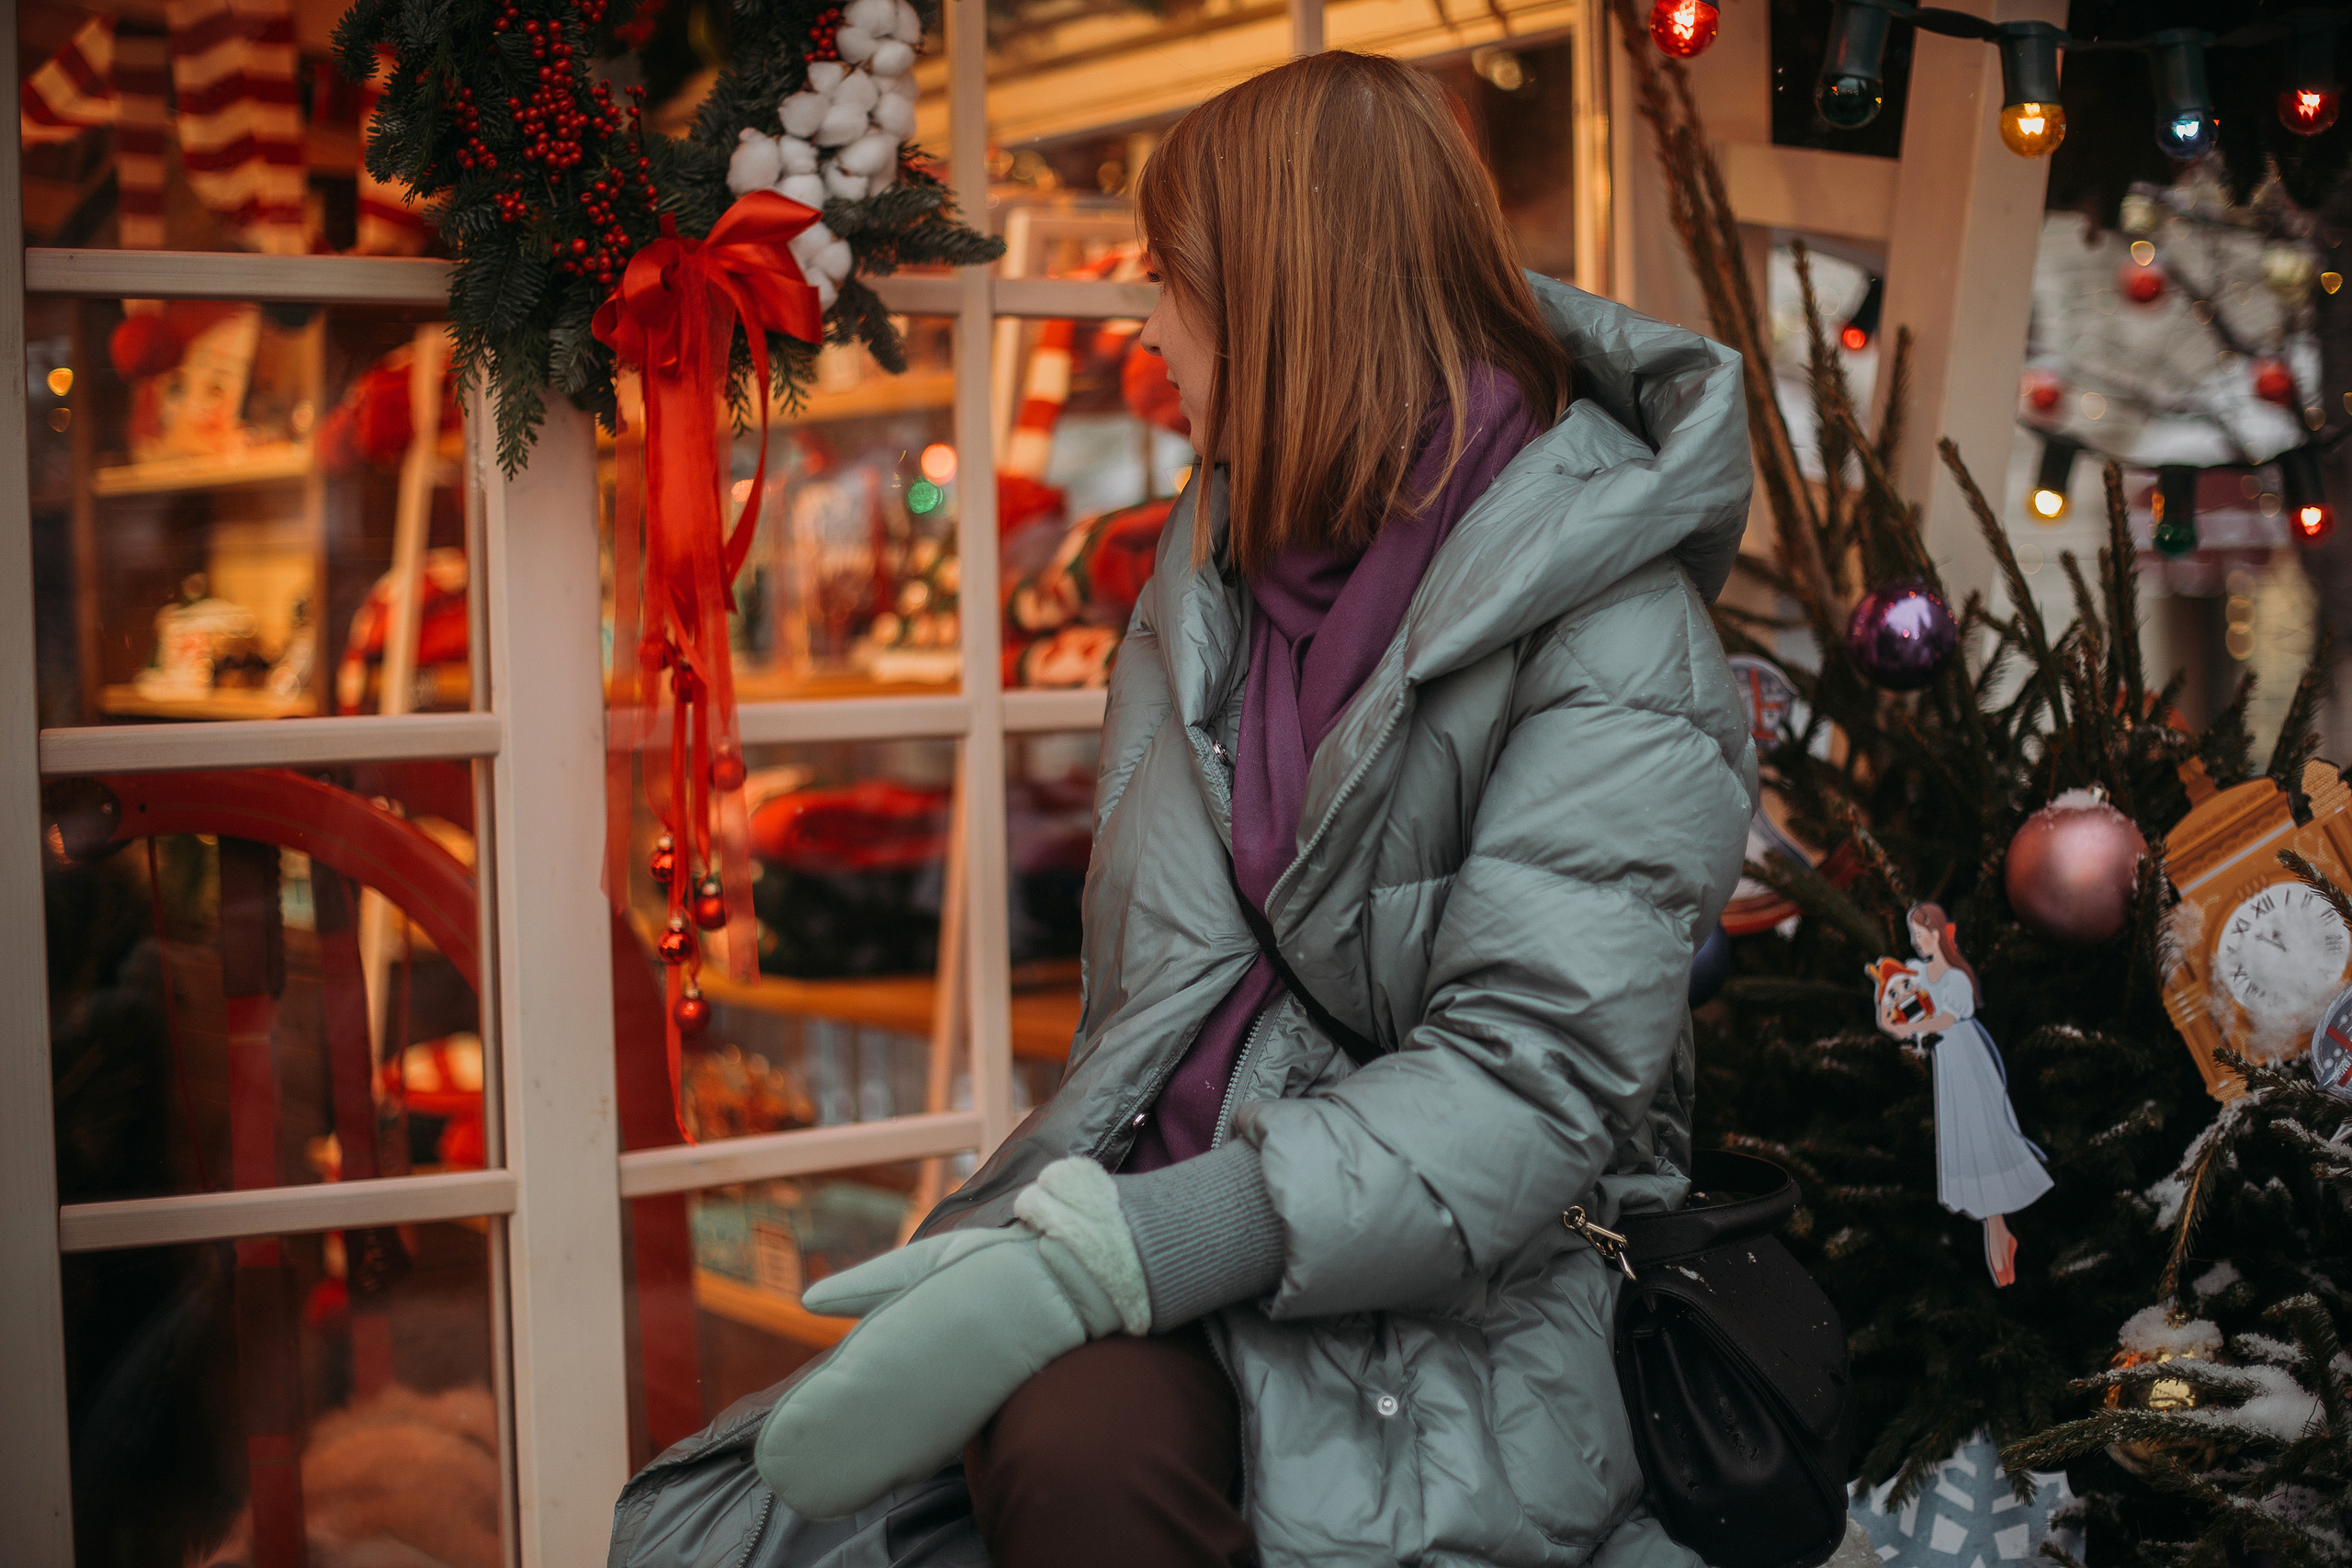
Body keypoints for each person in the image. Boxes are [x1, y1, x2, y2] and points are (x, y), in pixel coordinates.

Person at [729, 51, 1757, 1568]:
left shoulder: (1614, 633)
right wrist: (1051, 1236)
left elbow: (1531, 1079)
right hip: (1161, 1240)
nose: (1146, 333)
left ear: (1290, 295)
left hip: (1450, 1292)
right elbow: (1157, 999)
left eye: (1172, 283)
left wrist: (1128, 1252)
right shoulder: (1208, 579)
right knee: (993, 1468)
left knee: (1077, 1469)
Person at [1869, 902, 2052, 1286]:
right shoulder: (1916, 972)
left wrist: (1909, 1030)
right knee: (1964, 1134)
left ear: (1936, 933)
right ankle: (1999, 1237)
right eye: (1914, 937)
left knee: (1983, 1127)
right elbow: (1895, 1003)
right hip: (1944, 1061)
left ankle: (2000, 1240)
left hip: (1965, 1055)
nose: (1917, 943)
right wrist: (1892, 1021)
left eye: (1921, 935)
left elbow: (1947, 1019)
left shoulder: (1956, 979)